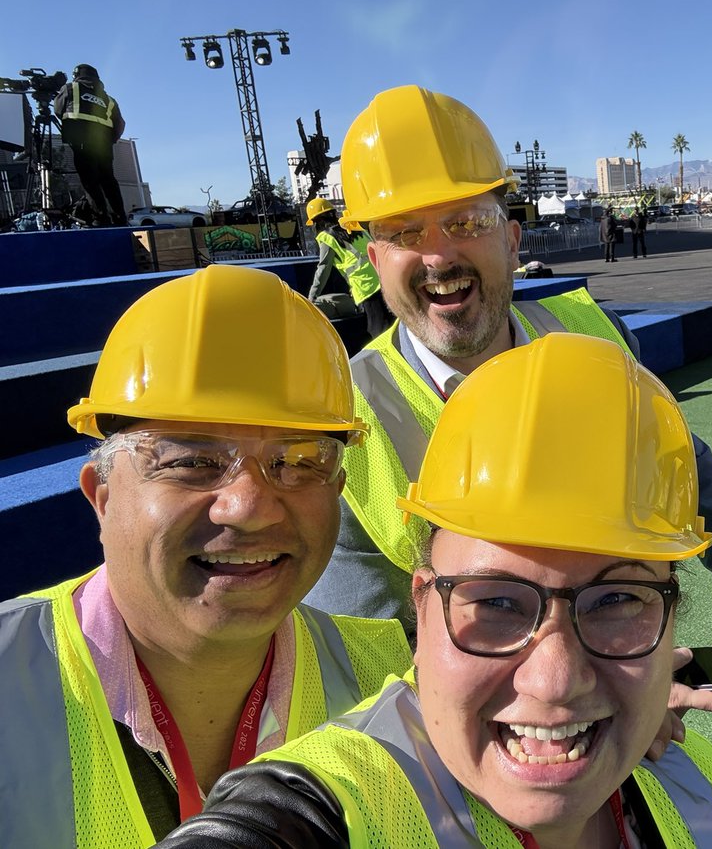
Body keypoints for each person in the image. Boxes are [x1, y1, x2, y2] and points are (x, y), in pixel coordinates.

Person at [157, 332, 712, 848]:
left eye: (617, 601)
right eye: (497, 601)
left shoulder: (701, 787)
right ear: (420, 605)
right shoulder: (329, 809)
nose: (554, 681)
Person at [303, 84, 712, 655]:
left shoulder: (594, 334)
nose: (438, 256)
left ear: (511, 242)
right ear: (376, 261)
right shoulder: (343, 414)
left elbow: (678, 457)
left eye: (466, 223)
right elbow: (364, 645)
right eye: (405, 232)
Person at [0, 265, 411, 847]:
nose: (249, 507)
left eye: (297, 462)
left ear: (338, 493)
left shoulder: (393, 686)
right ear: (103, 496)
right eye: (192, 461)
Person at [305, 197, 393, 337]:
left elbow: (323, 268)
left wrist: (312, 297)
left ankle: (386, 356)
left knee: (377, 328)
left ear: (317, 222)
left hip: (365, 285)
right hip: (383, 277)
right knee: (392, 321)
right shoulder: (352, 226)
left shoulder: (326, 237)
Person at [53, 64, 127, 226]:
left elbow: (58, 110)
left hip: (81, 142)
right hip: (103, 145)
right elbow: (120, 123)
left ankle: (100, 218)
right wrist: (110, 139)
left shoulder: (71, 88)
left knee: (90, 181)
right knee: (108, 180)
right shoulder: (109, 99)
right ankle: (120, 217)